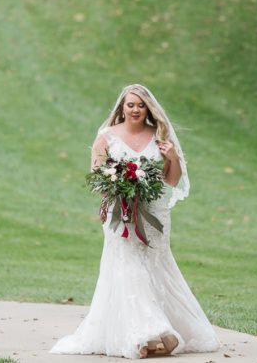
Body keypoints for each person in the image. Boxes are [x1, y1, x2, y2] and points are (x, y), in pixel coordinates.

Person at [50, 83, 220, 359]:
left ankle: (160, 329)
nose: (136, 110)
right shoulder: (106, 137)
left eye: (141, 105)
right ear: (122, 108)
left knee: (155, 267)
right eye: (131, 105)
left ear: (148, 109)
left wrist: (173, 158)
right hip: (122, 214)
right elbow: (98, 176)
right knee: (128, 269)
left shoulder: (160, 138)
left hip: (155, 214)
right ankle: (147, 334)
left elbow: (172, 180)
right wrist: (119, 184)